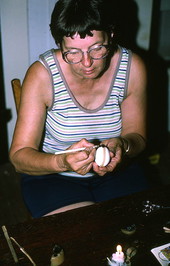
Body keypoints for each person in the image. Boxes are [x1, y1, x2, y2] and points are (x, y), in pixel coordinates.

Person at [9, 0, 149, 218]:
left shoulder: (132, 68)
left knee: (137, 233)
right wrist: (62, 162)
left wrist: (123, 145)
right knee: (83, 236)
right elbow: (19, 158)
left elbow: (138, 138)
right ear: (59, 45)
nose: (86, 63)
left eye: (97, 48)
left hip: (117, 172)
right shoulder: (42, 75)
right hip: (53, 175)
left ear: (110, 35)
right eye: (72, 52)